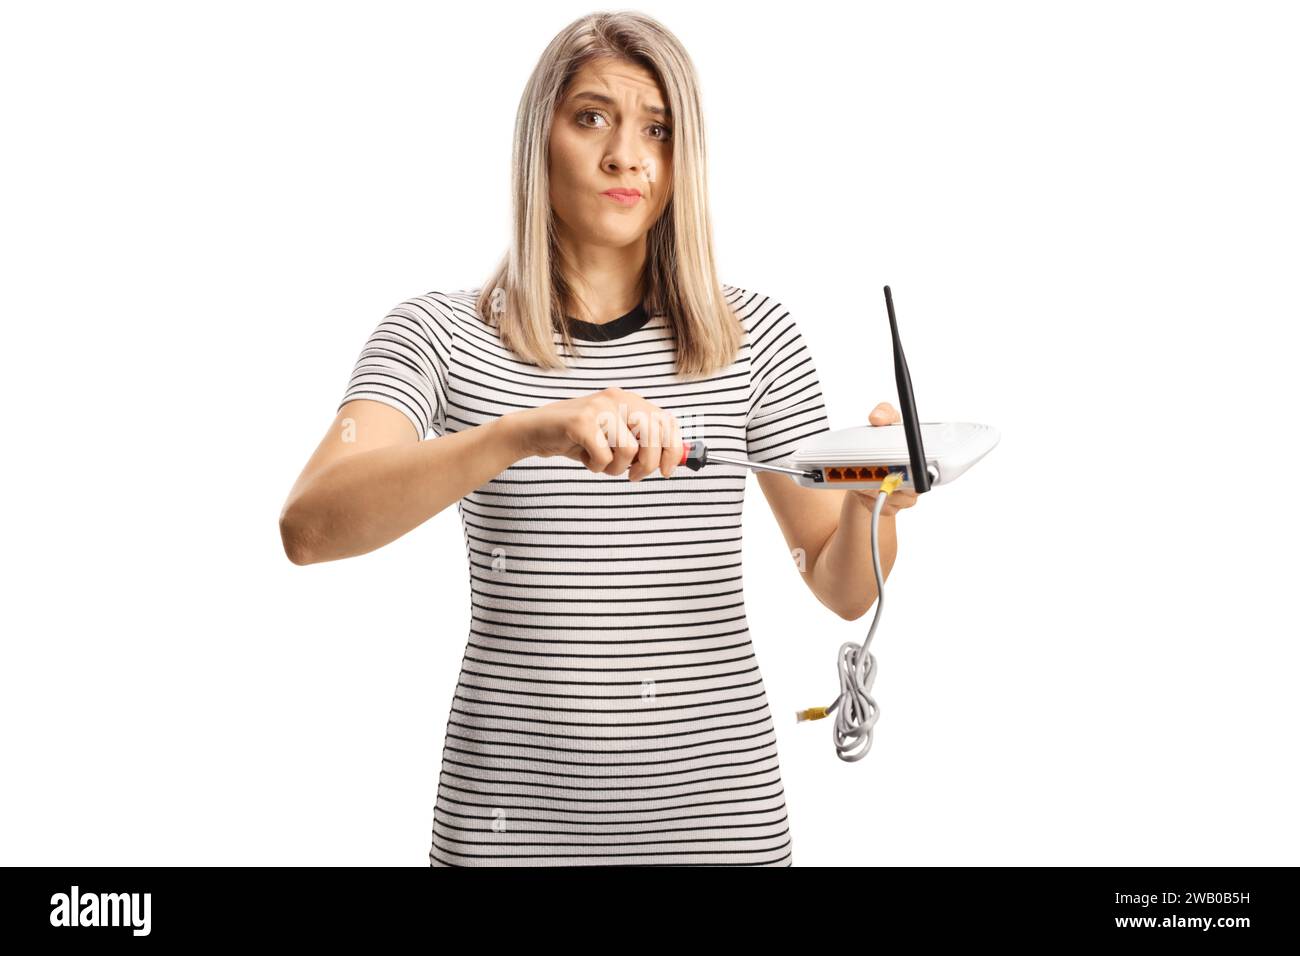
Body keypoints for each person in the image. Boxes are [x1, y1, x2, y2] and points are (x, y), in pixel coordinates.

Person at [279, 10, 917, 867]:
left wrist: (875, 501)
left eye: (657, 128)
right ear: (537, 139)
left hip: (721, 828)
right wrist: (527, 431)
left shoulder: (752, 337)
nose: (627, 155)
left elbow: (838, 586)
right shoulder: (436, 335)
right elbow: (309, 527)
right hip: (503, 831)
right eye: (592, 118)